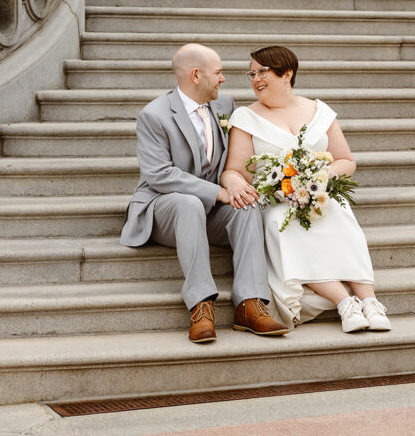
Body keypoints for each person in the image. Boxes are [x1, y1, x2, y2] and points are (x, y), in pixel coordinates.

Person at [120, 42, 290, 343]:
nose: (224, 79)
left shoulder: (224, 105)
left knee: (247, 203)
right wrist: (216, 192)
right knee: (188, 205)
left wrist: (233, 182)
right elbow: (159, 175)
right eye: (219, 72)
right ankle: (201, 304)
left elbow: (235, 158)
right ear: (196, 75)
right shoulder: (154, 115)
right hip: (165, 208)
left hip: (209, 210)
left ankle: (249, 304)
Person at [221, 45, 391, 334]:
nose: (255, 79)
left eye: (263, 72)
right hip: (275, 199)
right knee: (281, 222)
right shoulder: (245, 118)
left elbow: (346, 160)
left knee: (339, 209)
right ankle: (344, 302)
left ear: (286, 73)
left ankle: (370, 301)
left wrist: (319, 176)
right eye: (251, 73)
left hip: (319, 192)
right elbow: (234, 170)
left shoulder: (319, 111)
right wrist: (233, 181)